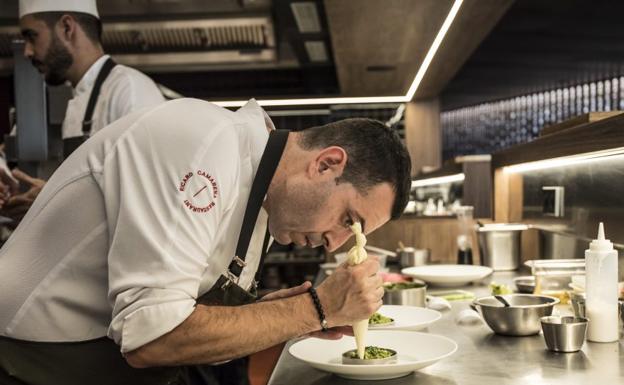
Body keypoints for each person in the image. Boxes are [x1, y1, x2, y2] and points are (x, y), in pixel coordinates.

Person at [0, 97, 412, 385]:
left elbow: (189, 318)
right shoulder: (201, 143)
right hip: (30, 365)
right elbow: (153, 336)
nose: (334, 244)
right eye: (347, 220)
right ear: (326, 164)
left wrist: (282, 317)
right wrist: (314, 309)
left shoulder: (263, 197)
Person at [0, 0, 165, 219]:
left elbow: (148, 196)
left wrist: (54, 202)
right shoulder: (77, 103)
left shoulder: (129, 90)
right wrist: (46, 202)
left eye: (32, 36)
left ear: (67, 28)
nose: (28, 51)